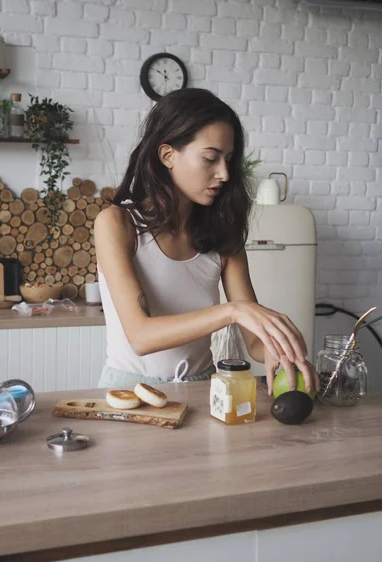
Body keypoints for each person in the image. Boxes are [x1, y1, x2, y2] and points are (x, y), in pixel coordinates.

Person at [95, 88, 318, 395]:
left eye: (228, 160)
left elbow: (253, 343)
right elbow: (140, 336)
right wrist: (232, 311)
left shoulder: (223, 237)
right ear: (168, 155)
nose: (224, 174)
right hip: (130, 393)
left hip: (202, 392)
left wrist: (284, 351)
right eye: (211, 158)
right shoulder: (117, 224)